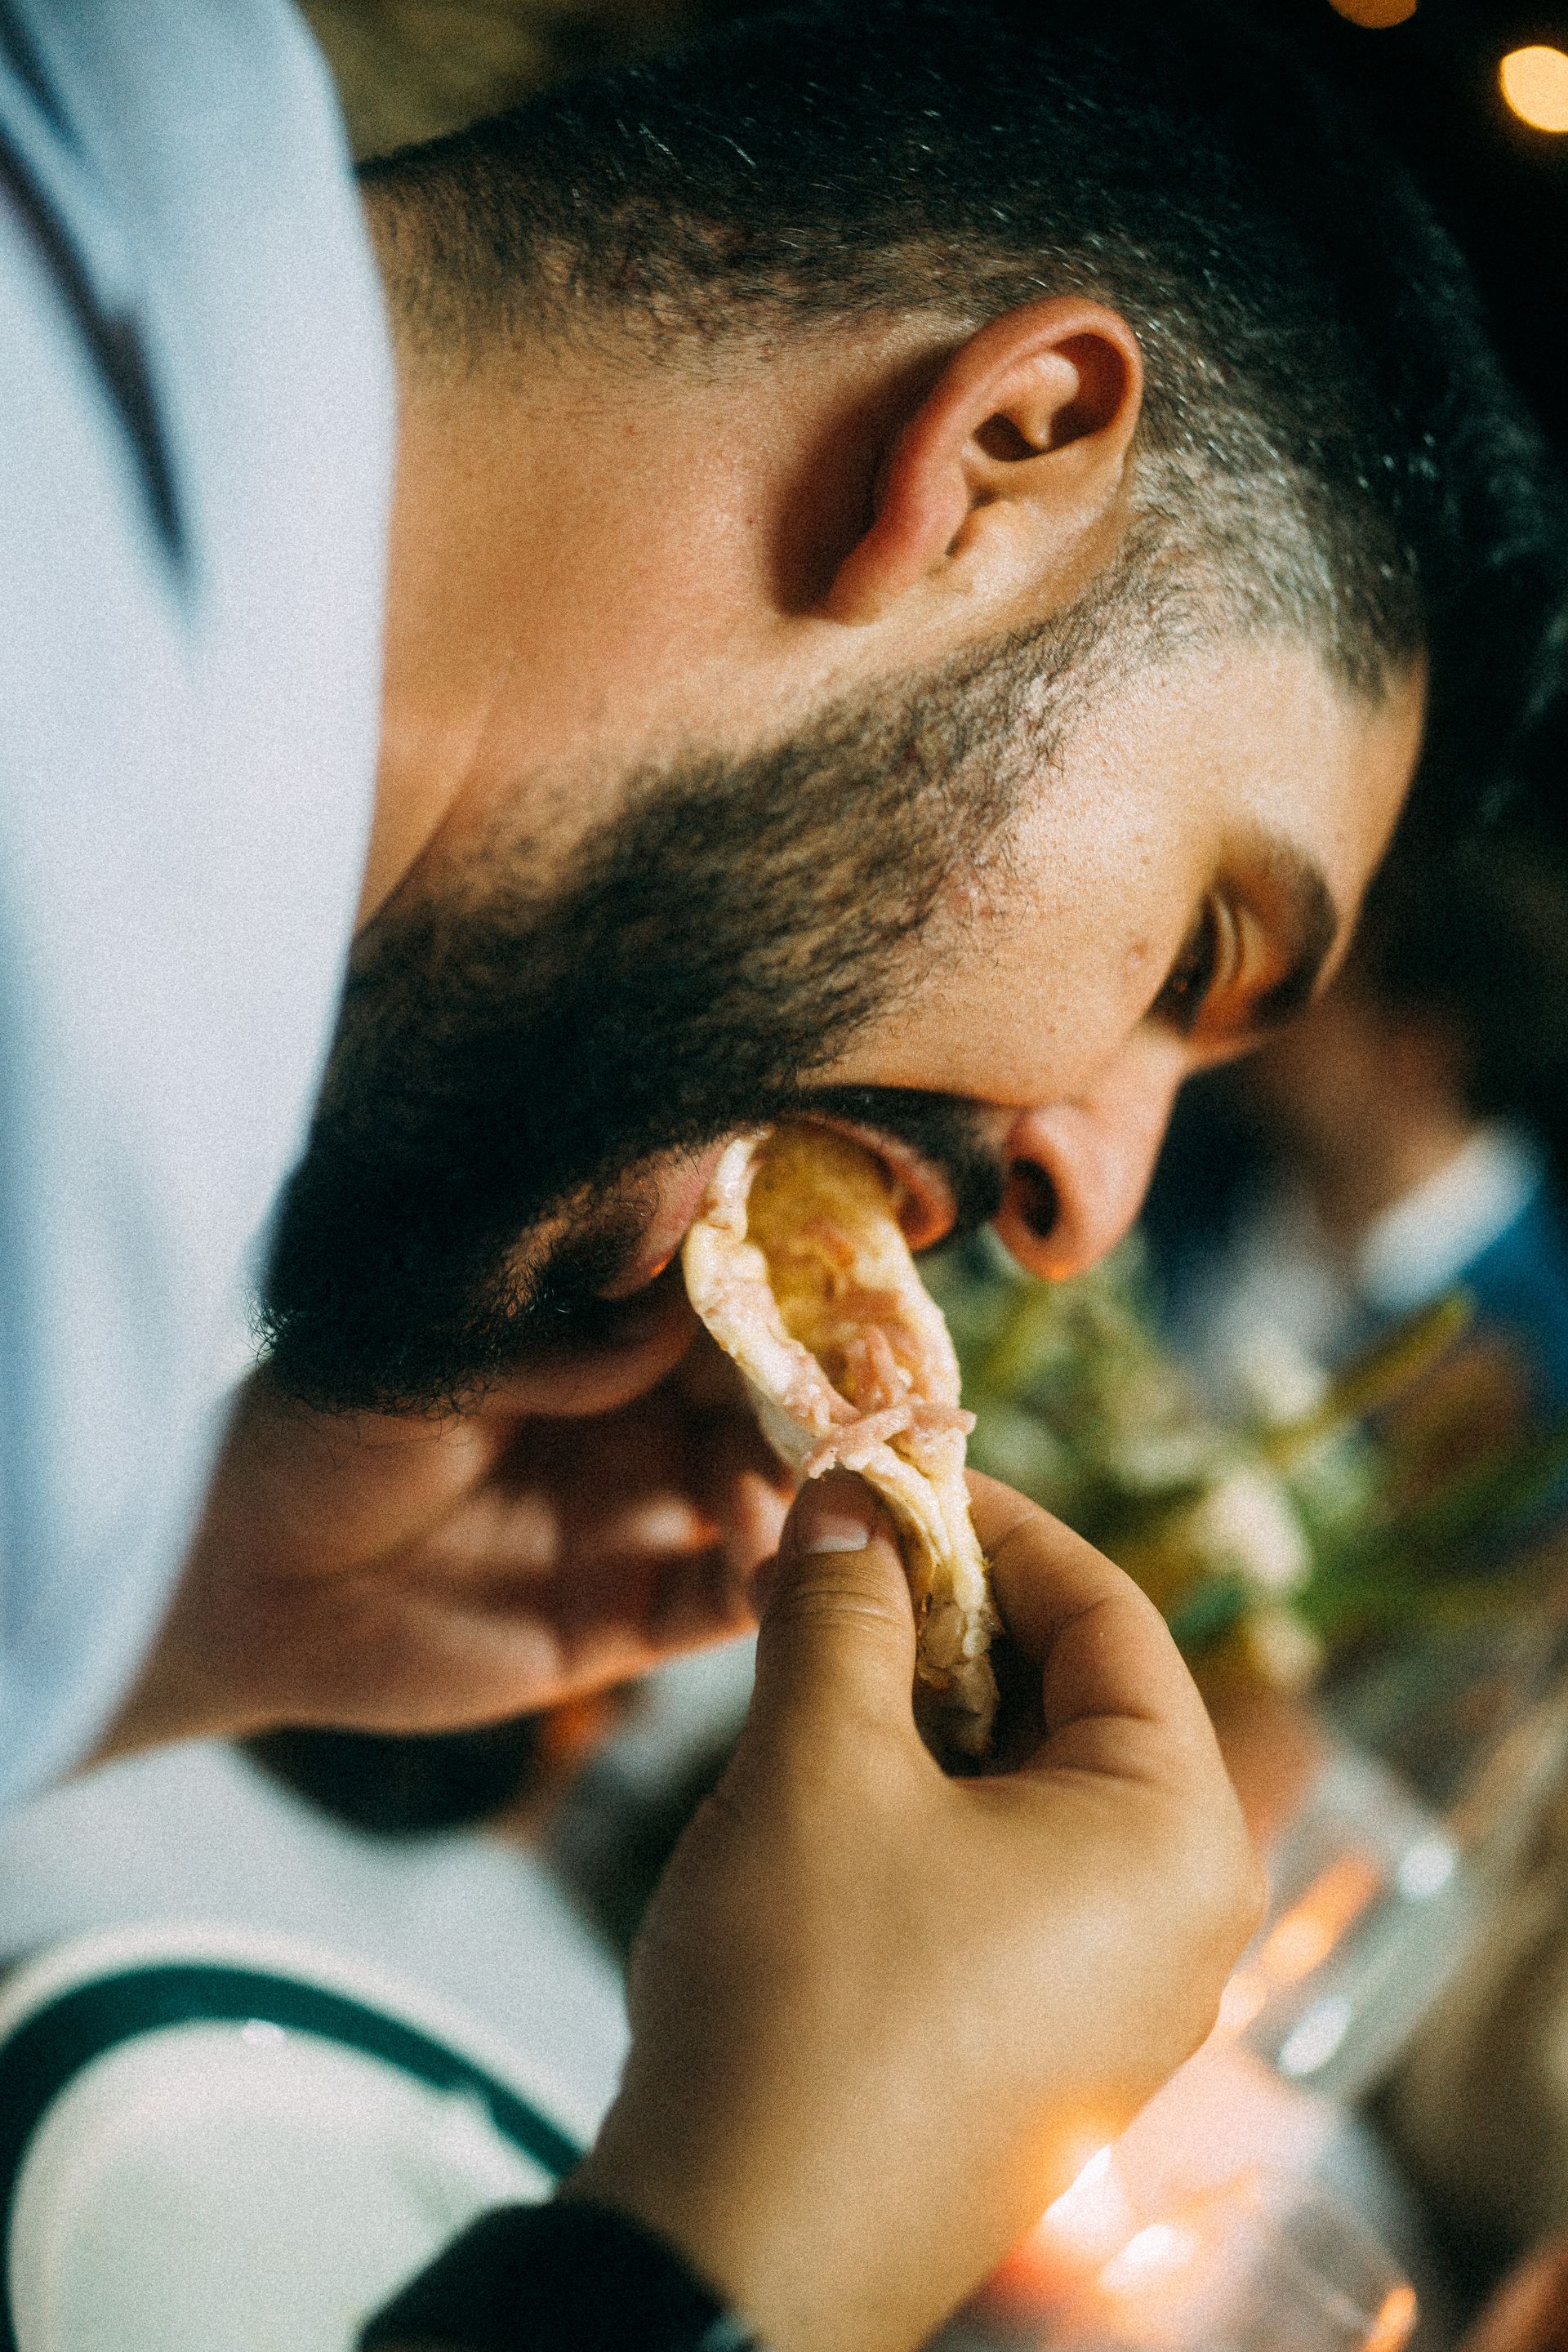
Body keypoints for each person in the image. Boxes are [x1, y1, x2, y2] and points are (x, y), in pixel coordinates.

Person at [3, 0, 1562, 2345]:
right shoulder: (73, 983)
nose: (1086, 1206)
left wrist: (205, 1604)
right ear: (1003, 454)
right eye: (1202, 948)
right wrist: (760, 2235)